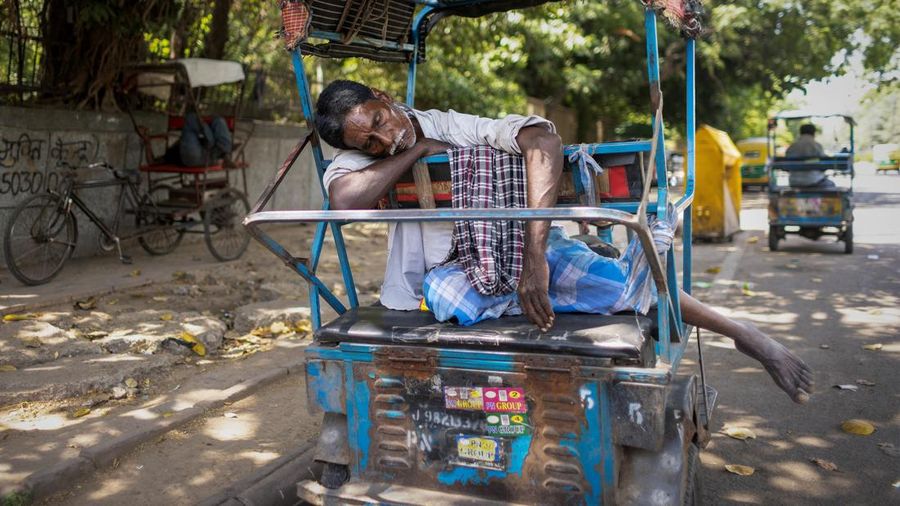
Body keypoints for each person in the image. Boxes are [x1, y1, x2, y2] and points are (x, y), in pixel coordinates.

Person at [316, 79, 813, 404]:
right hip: (449, 284)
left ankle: (745, 334)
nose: (385, 139)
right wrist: (414, 151)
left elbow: (543, 140)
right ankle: (550, 285)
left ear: (384, 97)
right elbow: (343, 199)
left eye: (380, 122)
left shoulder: (453, 125)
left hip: (518, 254)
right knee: (447, 294)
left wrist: (534, 258)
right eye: (370, 143)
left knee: (619, 283)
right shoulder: (364, 158)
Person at [785, 123, 834, 188]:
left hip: (794, 182)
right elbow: (823, 163)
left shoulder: (792, 146)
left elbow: (787, 165)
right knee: (831, 184)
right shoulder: (816, 145)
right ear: (813, 133)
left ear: (800, 132)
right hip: (813, 181)